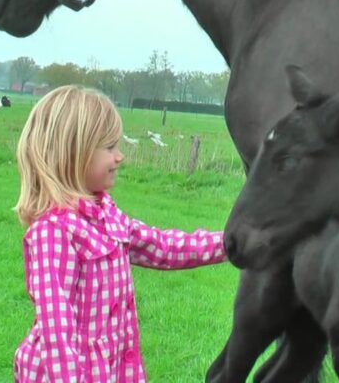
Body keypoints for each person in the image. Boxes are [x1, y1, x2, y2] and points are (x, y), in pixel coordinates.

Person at [12, 85, 226, 382]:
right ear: (74, 152)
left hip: (112, 369)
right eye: (109, 147)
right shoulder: (54, 232)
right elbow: (57, 329)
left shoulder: (107, 215)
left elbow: (162, 247)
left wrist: (231, 241)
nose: (120, 156)